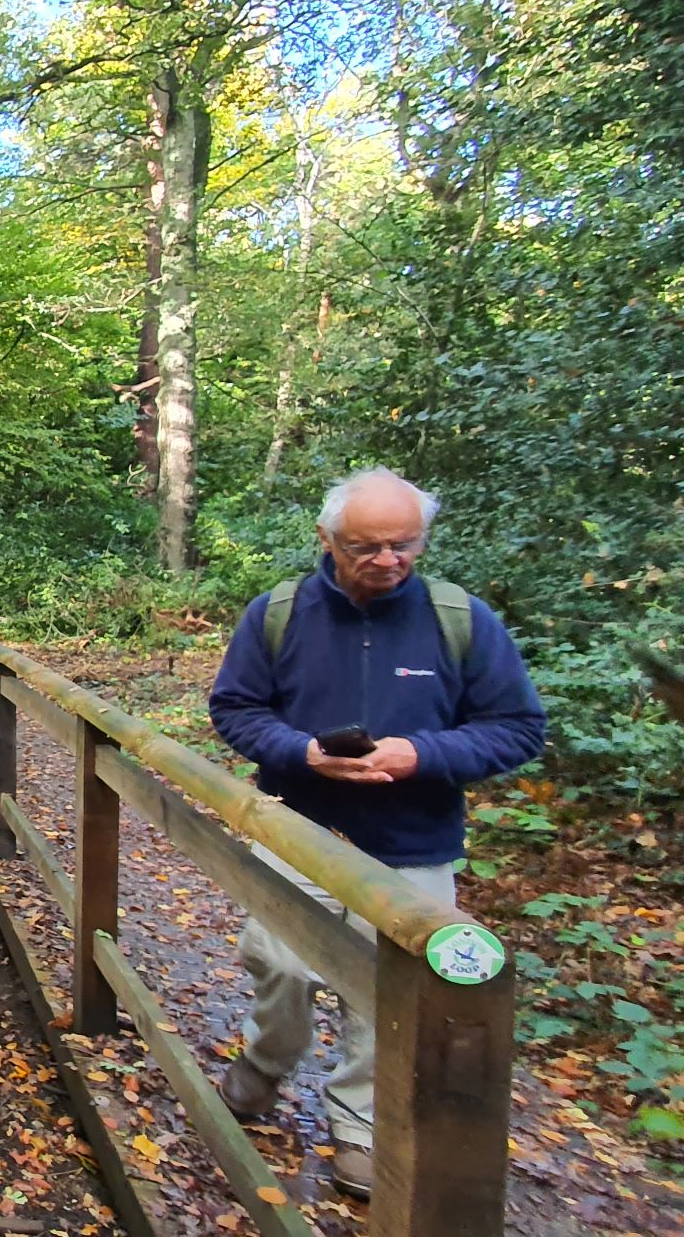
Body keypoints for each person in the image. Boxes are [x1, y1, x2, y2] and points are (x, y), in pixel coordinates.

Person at [207, 467, 546, 1199]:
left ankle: (358, 1127)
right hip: (298, 826)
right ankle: (266, 1064)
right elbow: (236, 708)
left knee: (385, 994)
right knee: (281, 964)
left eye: (404, 545)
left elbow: (517, 728)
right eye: (366, 546)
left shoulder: (461, 619)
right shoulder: (280, 612)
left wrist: (422, 754)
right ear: (328, 539)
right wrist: (303, 753)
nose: (387, 561)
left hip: (412, 844)